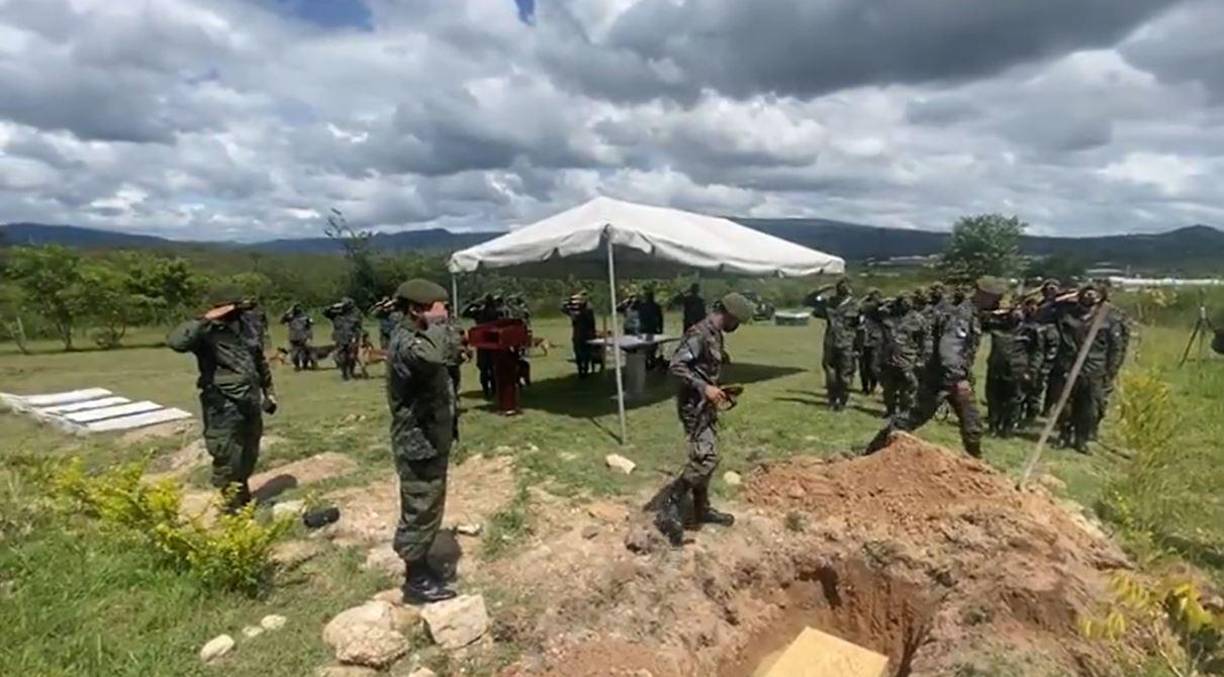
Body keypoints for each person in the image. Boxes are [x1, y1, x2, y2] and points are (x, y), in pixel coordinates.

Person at [652, 292, 754, 546]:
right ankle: (669, 506)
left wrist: (719, 389)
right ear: (728, 314)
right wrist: (704, 388)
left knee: (706, 455)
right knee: (706, 457)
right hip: (692, 405)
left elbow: (703, 367)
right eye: (737, 321)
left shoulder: (714, 334)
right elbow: (676, 365)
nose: (737, 327)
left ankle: (701, 509)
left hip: (704, 404)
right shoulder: (699, 333)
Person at [865, 277, 1004, 458]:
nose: (997, 302)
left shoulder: (971, 313)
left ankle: (976, 463)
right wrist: (957, 379)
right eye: (995, 298)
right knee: (916, 418)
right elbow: (949, 349)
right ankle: (873, 452)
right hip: (945, 378)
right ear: (984, 295)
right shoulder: (962, 316)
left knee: (970, 423)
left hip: (947, 377)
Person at [168, 286, 277, 513]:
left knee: (249, 451)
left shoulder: (247, 326)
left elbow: (260, 362)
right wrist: (206, 318)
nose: (239, 311)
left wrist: (269, 392)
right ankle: (229, 507)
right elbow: (177, 342)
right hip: (223, 402)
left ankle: (243, 498)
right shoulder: (206, 331)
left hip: (249, 400)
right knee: (227, 454)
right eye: (234, 307)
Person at [385, 278, 458, 604]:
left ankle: (421, 560)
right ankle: (415, 578)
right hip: (418, 441)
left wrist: (441, 325)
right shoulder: (406, 343)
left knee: (429, 503)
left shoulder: (420, 336)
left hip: (431, 436)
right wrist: (438, 324)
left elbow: (451, 352)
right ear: (416, 310)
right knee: (420, 506)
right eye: (436, 309)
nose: (443, 315)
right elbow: (432, 357)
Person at [1052, 283, 1123, 453]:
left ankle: (1081, 439)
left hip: (1094, 368)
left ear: (1100, 297)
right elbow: (1048, 309)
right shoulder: (1067, 314)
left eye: (1094, 294)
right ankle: (1064, 435)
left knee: (1088, 407)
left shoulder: (1108, 319)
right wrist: (1064, 297)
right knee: (1065, 405)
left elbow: (1115, 348)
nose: (1090, 297)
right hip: (1068, 366)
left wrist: (1110, 371)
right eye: (1086, 293)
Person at [983, 304, 1043, 438]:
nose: (1016, 314)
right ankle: (993, 426)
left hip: (1017, 370)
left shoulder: (1030, 331)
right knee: (993, 399)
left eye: (1020, 311)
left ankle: (1007, 428)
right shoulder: (997, 327)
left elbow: (1037, 353)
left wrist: (1031, 371)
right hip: (996, 369)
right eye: (1014, 311)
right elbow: (982, 319)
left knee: (1013, 401)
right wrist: (996, 312)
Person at [807, 278, 859, 411]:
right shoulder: (829, 303)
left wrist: (858, 347)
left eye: (846, 286)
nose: (844, 288)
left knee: (844, 375)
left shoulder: (856, 305)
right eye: (841, 286)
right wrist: (822, 289)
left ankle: (842, 401)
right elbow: (808, 301)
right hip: (831, 342)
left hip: (848, 344)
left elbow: (861, 328)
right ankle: (832, 399)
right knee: (830, 373)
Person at [878, 292, 927, 419]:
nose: (906, 304)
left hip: (907, 358)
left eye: (909, 302)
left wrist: (921, 358)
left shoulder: (918, 319)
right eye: (903, 301)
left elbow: (924, 340)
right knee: (888, 388)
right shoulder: (889, 314)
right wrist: (890, 301)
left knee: (908, 387)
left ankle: (905, 412)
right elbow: (872, 309)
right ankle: (890, 410)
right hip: (888, 357)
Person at [462, 294, 504, 399]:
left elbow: (465, 313)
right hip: (494, 342)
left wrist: (474, 303)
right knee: (494, 368)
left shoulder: (479, 313)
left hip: (482, 343)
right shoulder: (497, 313)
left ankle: (486, 391)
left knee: (484, 369)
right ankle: (494, 390)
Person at [324, 297, 364, 381]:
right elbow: (325, 312)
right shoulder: (336, 313)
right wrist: (333, 306)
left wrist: (356, 338)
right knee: (340, 357)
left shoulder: (356, 313)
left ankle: (351, 372)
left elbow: (358, 327)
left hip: (351, 337)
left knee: (351, 357)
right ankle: (344, 373)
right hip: (340, 338)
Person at [562, 292, 598, 378]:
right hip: (579, 334)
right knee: (579, 354)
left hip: (585, 335)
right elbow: (564, 309)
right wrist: (570, 303)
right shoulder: (578, 310)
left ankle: (584, 371)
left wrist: (572, 305)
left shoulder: (587, 310)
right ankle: (581, 371)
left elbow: (588, 320)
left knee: (584, 354)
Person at [856, 289, 885, 395]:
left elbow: (861, 306)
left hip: (875, 340)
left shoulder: (879, 308)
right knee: (863, 366)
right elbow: (859, 307)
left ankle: (873, 385)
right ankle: (865, 387)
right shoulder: (866, 308)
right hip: (863, 340)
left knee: (873, 366)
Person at [280, 303, 315, 371]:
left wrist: (309, 337)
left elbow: (310, 326)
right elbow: (282, 321)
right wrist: (288, 311)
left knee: (306, 352)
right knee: (294, 354)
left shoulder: (305, 317)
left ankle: (305, 365)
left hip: (303, 337)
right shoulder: (290, 317)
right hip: (293, 338)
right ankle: (297, 366)